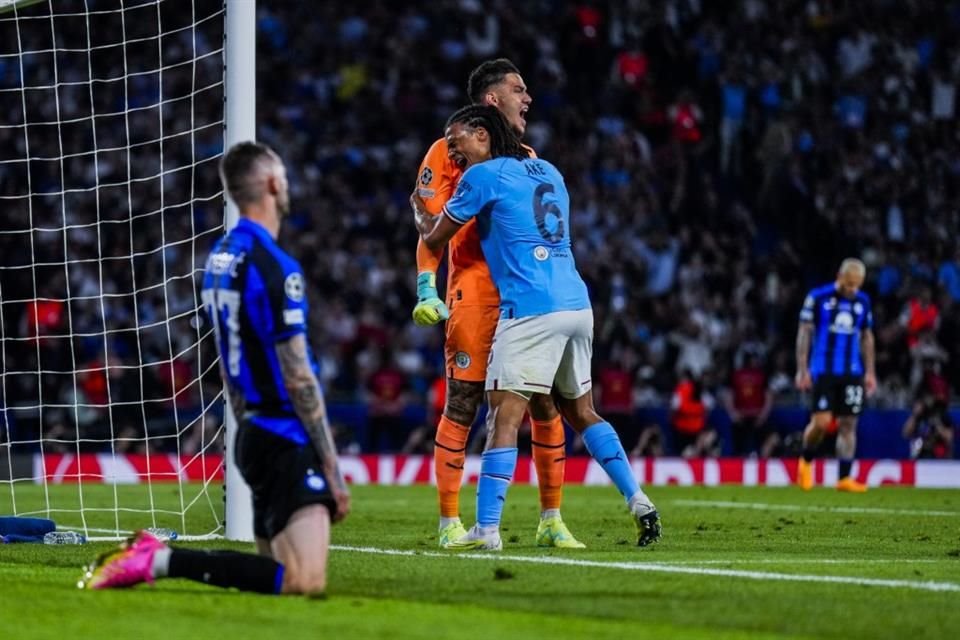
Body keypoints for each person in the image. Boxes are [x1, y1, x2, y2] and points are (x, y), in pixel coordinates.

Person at [81, 142, 350, 594]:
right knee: (304, 581)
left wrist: (247, 426)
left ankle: (160, 559)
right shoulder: (275, 267)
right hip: (285, 434)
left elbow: (225, 363)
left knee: (278, 575)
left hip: (252, 432)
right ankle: (159, 559)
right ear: (272, 183)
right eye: (283, 176)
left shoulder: (220, 259)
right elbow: (299, 376)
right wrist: (331, 467)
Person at [412, 105, 661, 550]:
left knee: (503, 416)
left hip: (528, 307)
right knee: (582, 412)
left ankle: (487, 528)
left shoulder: (481, 177)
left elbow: (434, 236)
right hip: (576, 304)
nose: (453, 152)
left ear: (483, 134)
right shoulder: (549, 171)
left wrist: (419, 209)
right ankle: (638, 499)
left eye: (458, 142)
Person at [411, 59, 581, 549]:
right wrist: (426, 285)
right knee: (464, 401)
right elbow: (430, 225)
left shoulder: (530, 158)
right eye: (518, 89)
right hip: (473, 292)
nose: (528, 98)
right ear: (493, 99)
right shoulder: (449, 149)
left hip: (527, 294)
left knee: (544, 401)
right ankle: (449, 523)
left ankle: (551, 519)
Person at [794, 258, 876, 492]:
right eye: (849, 284)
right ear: (839, 276)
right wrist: (802, 369)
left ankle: (844, 478)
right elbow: (804, 332)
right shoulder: (818, 297)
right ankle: (806, 460)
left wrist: (870, 371)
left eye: (856, 285)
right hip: (823, 370)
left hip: (852, 372)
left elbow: (867, 337)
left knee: (848, 424)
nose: (852, 289)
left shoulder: (863, 301)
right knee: (821, 423)